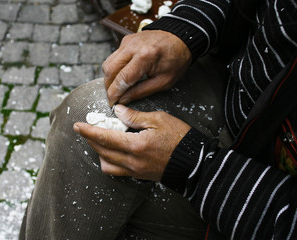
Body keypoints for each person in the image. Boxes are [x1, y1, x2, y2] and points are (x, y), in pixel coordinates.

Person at [20, 0, 297, 239]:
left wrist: (198, 170)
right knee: (86, 118)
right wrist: (184, 27)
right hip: (237, 88)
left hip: (262, 187)